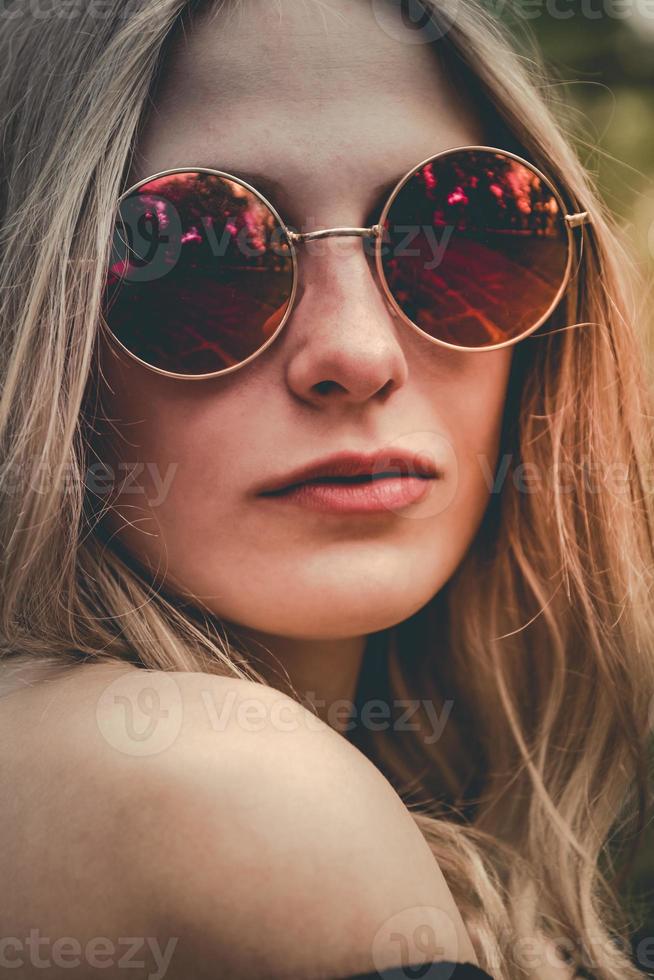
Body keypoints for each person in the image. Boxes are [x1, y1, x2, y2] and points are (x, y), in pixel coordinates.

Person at [0, 0, 652, 978]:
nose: (358, 351)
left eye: (456, 230)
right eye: (201, 249)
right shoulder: (229, 785)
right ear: (33, 319)